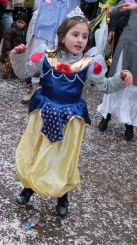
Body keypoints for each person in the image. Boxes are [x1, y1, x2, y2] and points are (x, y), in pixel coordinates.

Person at [10, 7, 132, 217]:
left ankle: (62, 193)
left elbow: (104, 86)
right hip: (44, 114)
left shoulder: (89, 64)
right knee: (36, 151)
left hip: (70, 120)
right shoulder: (45, 57)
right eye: (75, 34)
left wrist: (120, 79)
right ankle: (29, 187)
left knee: (64, 157)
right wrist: (17, 56)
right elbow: (22, 72)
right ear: (62, 36)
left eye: (85, 36)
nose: (80, 40)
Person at [21, 0, 79, 103]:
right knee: (36, 59)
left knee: (60, 63)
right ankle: (34, 88)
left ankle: (54, 92)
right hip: (44, 26)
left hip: (64, 30)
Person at [97, 1, 136, 140]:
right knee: (118, 76)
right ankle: (106, 115)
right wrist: (109, 10)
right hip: (127, 41)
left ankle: (129, 123)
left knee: (133, 83)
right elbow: (123, 5)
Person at [1, 11, 27, 79]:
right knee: (9, 63)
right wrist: (8, 49)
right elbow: (7, 40)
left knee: (16, 62)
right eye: (18, 22)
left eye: (22, 23)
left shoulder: (25, 31)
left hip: (19, 50)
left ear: (25, 24)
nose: (20, 24)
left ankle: (14, 73)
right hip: (12, 49)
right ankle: (6, 73)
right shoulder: (12, 30)